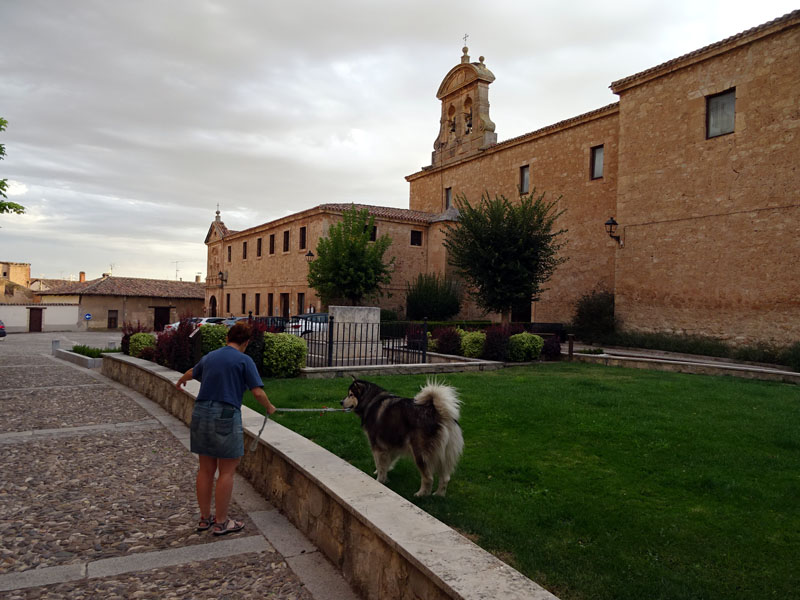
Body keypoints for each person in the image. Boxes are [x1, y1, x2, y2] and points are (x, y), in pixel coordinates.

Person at [176, 322, 276, 535]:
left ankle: (205, 519)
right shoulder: (244, 360)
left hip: (201, 412)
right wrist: (269, 407)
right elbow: (257, 392)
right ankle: (221, 522)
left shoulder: (211, 356)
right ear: (246, 342)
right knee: (227, 471)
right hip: (226, 414)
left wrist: (181, 380)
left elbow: (192, 372)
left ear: (227, 338)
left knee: (205, 469)